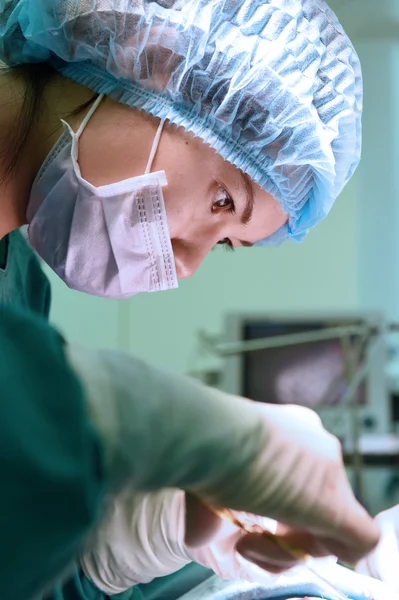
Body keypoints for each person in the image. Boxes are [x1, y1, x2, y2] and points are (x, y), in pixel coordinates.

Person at [0, 1, 379, 599]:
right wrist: (189, 432)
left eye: (226, 244)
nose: (187, 262)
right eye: (224, 201)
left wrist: (125, 542)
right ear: (147, 52)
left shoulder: (19, 290)